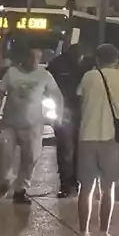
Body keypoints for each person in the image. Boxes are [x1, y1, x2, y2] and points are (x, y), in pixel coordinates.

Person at [72, 44, 119, 236]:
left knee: (85, 189)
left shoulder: (88, 77)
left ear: (97, 59)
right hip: (111, 139)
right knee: (108, 189)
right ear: (117, 60)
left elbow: (80, 103)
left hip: (86, 137)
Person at [0, 44, 60, 203]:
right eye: (31, 57)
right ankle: (6, 180)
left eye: (38, 57)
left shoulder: (44, 75)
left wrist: (58, 115)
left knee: (30, 158)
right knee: (3, 152)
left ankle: (21, 189)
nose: (34, 60)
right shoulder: (12, 73)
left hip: (33, 125)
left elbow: (56, 95)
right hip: (10, 124)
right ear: (23, 57)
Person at [47, 45, 85, 198]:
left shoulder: (57, 64)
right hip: (70, 112)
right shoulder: (83, 65)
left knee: (67, 149)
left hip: (68, 112)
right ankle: (71, 182)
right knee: (71, 149)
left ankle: (68, 183)